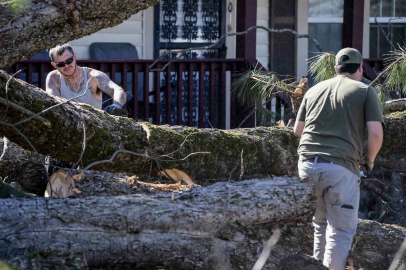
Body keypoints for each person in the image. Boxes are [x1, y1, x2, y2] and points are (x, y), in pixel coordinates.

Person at [294, 48, 384, 270]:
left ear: (335, 69)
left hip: (306, 166)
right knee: (340, 233)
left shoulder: (314, 90)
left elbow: (298, 130)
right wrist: (369, 161)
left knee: (320, 226)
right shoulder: (365, 91)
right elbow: (375, 133)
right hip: (340, 168)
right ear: (361, 69)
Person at [45, 43, 126, 113]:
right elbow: (54, 103)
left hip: (96, 126)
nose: (66, 66)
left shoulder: (94, 76)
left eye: (69, 60)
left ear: (75, 57)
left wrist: (116, 105)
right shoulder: (54, 78)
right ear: (54, 65)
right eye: (60, 64)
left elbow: (117, 90)